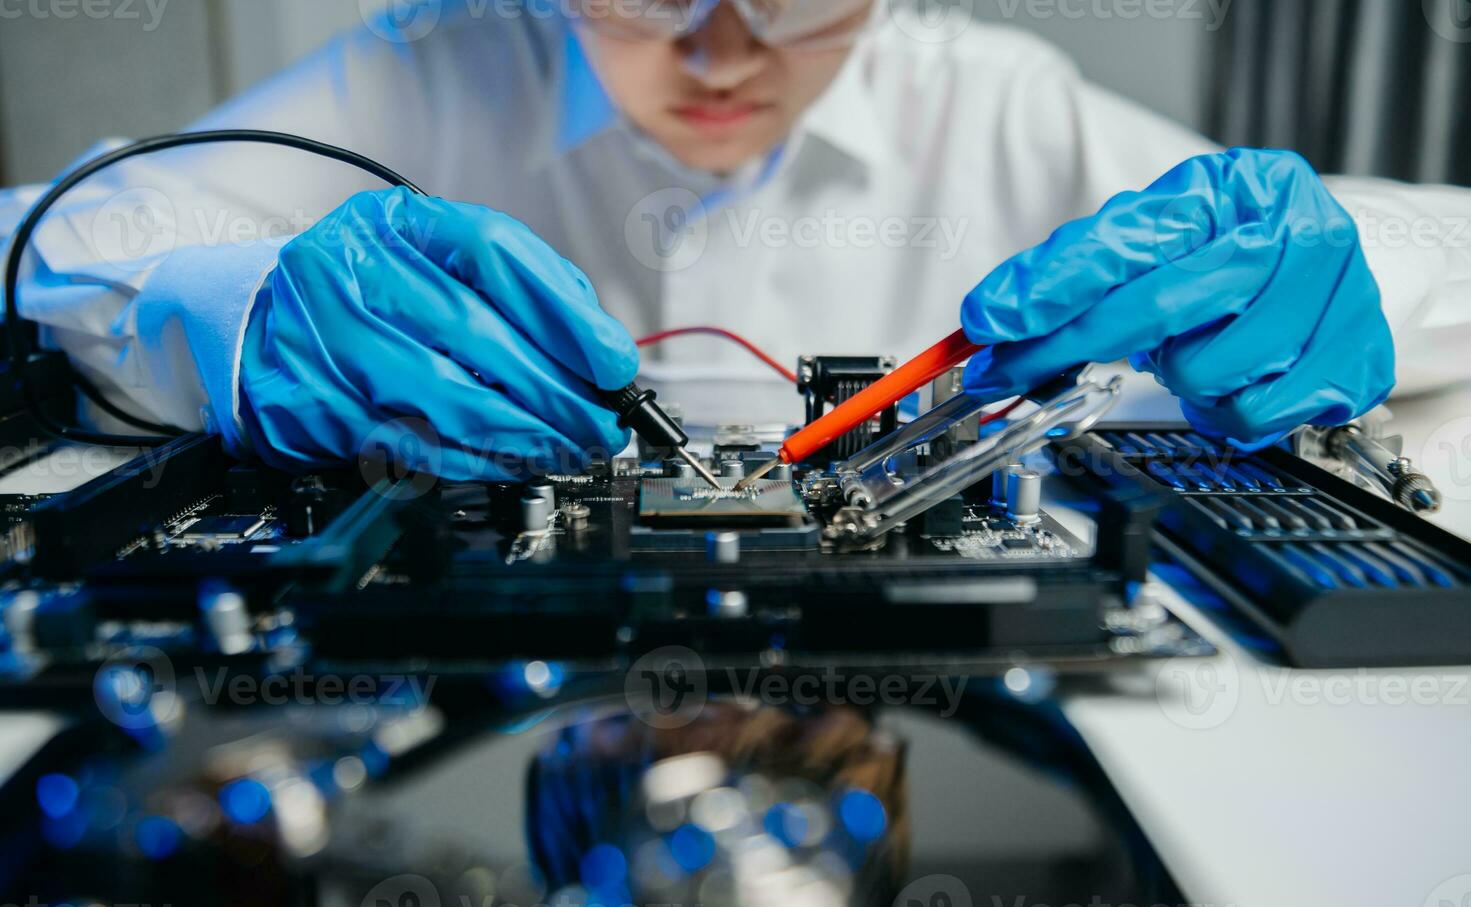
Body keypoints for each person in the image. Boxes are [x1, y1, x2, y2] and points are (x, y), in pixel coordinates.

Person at [2, 0, 1468, 481]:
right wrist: (228, 314)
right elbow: (37, 240)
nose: (719, 53)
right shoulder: (428, 63)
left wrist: (1353, 264)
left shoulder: (990, 98)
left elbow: (1431, 250)